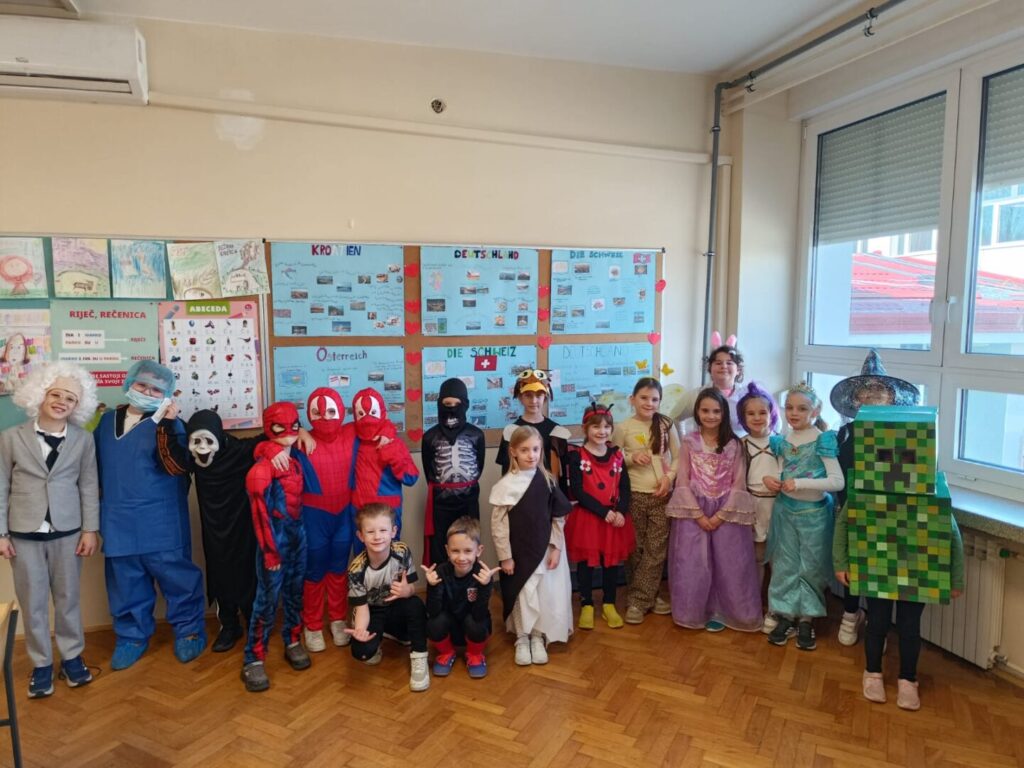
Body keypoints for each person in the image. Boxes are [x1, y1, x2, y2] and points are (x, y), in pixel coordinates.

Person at [94, 360, 206, 670]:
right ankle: (131, 636)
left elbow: (178, 467)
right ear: (129, 383)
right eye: (142, 384)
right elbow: (94, 470)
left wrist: (167, 424)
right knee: (126, 582)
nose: (147, 392)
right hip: (117, 519)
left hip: (162, 519)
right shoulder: (106, 422)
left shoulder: (170, 424)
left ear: (167, 395)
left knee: (178, 578)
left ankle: (189, 630)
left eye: (157, 389)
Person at [0, 362, 99, 698]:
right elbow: (1, 487)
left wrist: (90, 529)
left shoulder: (83, 440)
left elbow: (88, 486)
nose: (61, 402)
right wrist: (1, 533)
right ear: (40, 395)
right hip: (23, 534)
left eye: (70, 398)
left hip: (68, 532)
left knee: (68, 599)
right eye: (56, 394)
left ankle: (72, 657)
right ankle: (41, 663)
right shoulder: (11, 438)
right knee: (33, 602)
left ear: (78, 406)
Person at [829, 350, 920, 647]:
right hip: (849, 508)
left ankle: (876, 625)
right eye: (866, 392)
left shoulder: (900, 435)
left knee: (878, 567)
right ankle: (850, 613)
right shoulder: (844, 433)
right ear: (856, 399)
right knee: (852, 563)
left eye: (879, 392)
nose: (872, 398)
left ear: (891, 397)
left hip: (886, 514)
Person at [157, 408, 267, 653]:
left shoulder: (238, 450)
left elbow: (271, 436)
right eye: (196, 441)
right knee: (219, 574)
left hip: (243, 526)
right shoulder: (191, 459)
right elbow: (171, 461)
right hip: (213, 528)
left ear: (219, 436)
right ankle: (229, 625)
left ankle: (253, 623)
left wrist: (300, 430)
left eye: (208, 441)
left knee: (248, 572)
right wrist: (166, 424)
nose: (203, 448)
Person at [666, 389, 761, 632]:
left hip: (726, 512)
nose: (710, 416)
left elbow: (738, 483)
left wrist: (720, 516)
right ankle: (695, 611)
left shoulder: (734, 444)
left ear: (724, 413)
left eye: (716, 411)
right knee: (694, 563)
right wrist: (698, 515)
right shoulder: (689, 442)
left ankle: (726, 611)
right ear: (697, 412)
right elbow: (683, 479)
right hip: (693, 511)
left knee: (730, 563)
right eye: (705, 410)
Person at [763, 383, 843, 651]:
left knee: (810, 567)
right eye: (789, 408)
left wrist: (800, 483)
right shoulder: (783, 438)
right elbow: (783, 469)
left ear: (815, 411)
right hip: (786, 511)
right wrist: (772, 479)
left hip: (814, 516)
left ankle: (807, 619)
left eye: (801, 408)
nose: (794, 413)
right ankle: (786, 615)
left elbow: (837, 482)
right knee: (785, 565)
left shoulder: (822, 440)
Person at [241, 402, 311, 693]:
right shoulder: (261, 469)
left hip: (297, 535)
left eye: (294, 424)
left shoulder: (294, 460)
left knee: (295, 593)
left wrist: (300, 433)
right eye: (282, 426)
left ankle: (292, 640)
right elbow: (259, 514)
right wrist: (270, 552)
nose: (289, 431)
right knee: (267, 600)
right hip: (274, 541)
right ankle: (254, 658)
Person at [491, 425, 572, 666]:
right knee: (523, 594)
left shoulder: (547, 481)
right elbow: (499, 525)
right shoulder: (506, 485)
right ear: (513, 452)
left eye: (536, 449)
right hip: (519, 553)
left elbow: (558, 518)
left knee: (543, 593)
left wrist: (556, 547)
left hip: (545, 551)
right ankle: (522, 637)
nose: (531, 455)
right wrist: (505, 556)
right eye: (525, 450)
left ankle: (538, 636)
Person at [294, 387, 356, 652]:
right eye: (318, 413)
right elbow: (269, 440)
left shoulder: (352, 432)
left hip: (343, 515)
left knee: (339, 570)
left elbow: (379, 424)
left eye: (331, 411)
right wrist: (298, 430)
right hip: (313, 517)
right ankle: (313, 625)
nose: (326, 418)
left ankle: (338, 619)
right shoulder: (299, 442)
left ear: (341, 410)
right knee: (314, 572)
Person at [613, 377, 679, 624]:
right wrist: (631, 458)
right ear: (632, 400)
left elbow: (679, 457)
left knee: (656, 549)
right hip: (634, 496)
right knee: (636, 549)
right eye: (643, 398)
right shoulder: (623, 427)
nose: (649, 403)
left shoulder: (666, 424)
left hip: (661, 495)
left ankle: (638, 601)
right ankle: (648, 595)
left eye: (654, 399)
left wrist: (669, 478)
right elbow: (613, 458)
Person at [346, 502, 430, 692]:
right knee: (362, 652)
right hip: (372, 610)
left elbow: (411, 589)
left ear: (393, 531)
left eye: (383, 530)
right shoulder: (356, 570)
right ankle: (378, 637)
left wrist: (406, 591)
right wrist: (360, 630)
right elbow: (362, 609)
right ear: (360, 536)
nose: (377, 536)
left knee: (416, 605)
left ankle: (419, 656)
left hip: (398, 605)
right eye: (370, 532)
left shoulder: (402, 551)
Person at [563, 402, 633, 630]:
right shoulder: (577, 456)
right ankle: (586, 603)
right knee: (586, 564)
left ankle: (609, 603)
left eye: (606, 427)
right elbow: (578, 491)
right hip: (589, 519)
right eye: (596, 426)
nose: (602, 431)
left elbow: (624, 487)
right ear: (585, 428)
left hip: (614, 519)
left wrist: (621, 511)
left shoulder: (617, 455)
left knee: (611, 563)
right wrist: (604, 512)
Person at [421, 516, 496, 679]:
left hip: (473, 627)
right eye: (455, 551)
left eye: (468, 551)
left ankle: (475, 655)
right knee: (433, 623)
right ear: (447, 550)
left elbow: (479, 615)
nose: (461, 558)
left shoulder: (482, 575)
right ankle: (446, 652)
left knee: (476, 623)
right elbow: (433, 612)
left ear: (479, 551)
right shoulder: (440, 572)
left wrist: (485, 586)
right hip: (451, 628)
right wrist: (432, 586)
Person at [421, 378, 485, 567]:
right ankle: (440, 584)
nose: (451, 409)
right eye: (447, 404)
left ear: (465, 404)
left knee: (469, 543)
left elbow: (479, 466)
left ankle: (469, 584)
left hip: (469, 501)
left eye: (457, 404)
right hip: (440, 504)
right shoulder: (430, 436)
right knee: (440, 548)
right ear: (439, 404)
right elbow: (428, 469)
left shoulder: (476, 435)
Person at [736, 382, 782, 628]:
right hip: (753, 506)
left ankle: (777, 608)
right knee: (757, 557)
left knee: (778, 560)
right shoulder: (741, 445)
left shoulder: (781, 443)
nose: (757, 417)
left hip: (780, 507)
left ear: (771, 413)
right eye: (750, 413)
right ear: (743, 417)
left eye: (762, 412)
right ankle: (753, 603)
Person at [349, 388, 419, 540]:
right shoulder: (352, 440)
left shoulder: (394, 443)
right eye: (361, 414)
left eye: (373, 413)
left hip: (387, 514)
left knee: (391, 552)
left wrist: (394, 455)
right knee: (362, 553)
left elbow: (411, 478)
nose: (367, 419)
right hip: (360, 513)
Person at [495, 369, 571, 478]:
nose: (534, 401)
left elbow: (561, 473)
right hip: (521, 487)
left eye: (539, 395)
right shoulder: (511, 431)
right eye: (528, 395)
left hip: (549, 487)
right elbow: (506, 472)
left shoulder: (557, 431)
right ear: (520, 397)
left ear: (545, 397)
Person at [679, 332, 750, 437]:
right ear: (710, 368)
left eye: (729, 363)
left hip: (741, 446)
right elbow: (675, 419)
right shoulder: (696, 394)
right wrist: (682, 441)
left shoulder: (748, 396)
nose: (724, 366)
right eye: (718, 363)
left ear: (738, 370)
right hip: (703, 447)